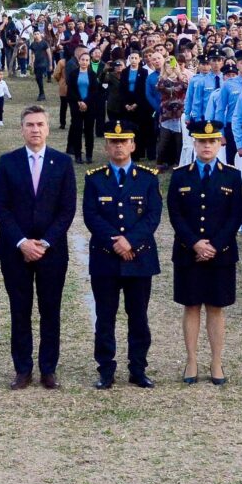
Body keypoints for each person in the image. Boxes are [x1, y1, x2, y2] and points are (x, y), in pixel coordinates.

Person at [0, 103, 77, 389]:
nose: (35, 129)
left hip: (51, 251)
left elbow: (67, 210)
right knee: (20, 310)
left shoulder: (63, 162)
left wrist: (44, 242)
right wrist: (22, 242)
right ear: (22, 129)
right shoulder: (7, 162)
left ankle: (48, 368)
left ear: (48, 128)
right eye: (30, 125)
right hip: (15, 251)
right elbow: (1, 208)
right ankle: (23, 369)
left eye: (40, 124)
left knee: (50, 310)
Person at [83, 118, 162, 389]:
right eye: (114, 142)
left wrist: (130, 242)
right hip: (105, 257)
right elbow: (91, 216)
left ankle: (138, 369)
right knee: (105, 316)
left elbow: (153, 216)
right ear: (106, 146)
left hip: (139, 258)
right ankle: (106, 369)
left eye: (124, 141)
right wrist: (115, 243)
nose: (119, 147)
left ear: (133, 145)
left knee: (138, 316)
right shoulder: (94, 179)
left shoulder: (148, 179)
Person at [167, 120, 242, 384]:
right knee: (191, 306)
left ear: (220, 143)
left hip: (220, 254)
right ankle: (191, 360)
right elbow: (175, 214)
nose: (207, 146)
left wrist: (215, 245)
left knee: (216, 307)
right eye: (202, 141)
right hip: (189, 252)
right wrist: (195, 243)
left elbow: (235, 216)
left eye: (212, 141)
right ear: (194, 143)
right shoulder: (180, 175)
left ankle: (216, 362)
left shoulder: (232, 175)